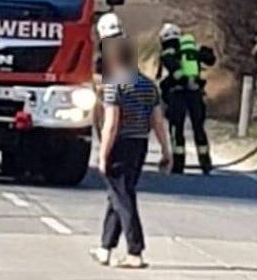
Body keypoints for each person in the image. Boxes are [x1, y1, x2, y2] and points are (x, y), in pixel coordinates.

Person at [90, 37, 172, 268]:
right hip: (139, 144)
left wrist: (103, 155)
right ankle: (105, 248)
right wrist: (166, 151)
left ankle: (135, 251)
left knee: (123, 196)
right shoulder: (148, 85)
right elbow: (157, 121)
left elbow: (111, 123)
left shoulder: (114, 86)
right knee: (117, 194)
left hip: (119, 143)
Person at [157, 23, 215, 174]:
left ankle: (178, 164)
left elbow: (174, 72)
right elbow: (209, 59)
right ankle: (205, 163)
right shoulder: (190, 50)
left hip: (177, 95)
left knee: (177, 129)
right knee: (199, 128)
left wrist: (173, 83)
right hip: (195, 94)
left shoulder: (167, 53)